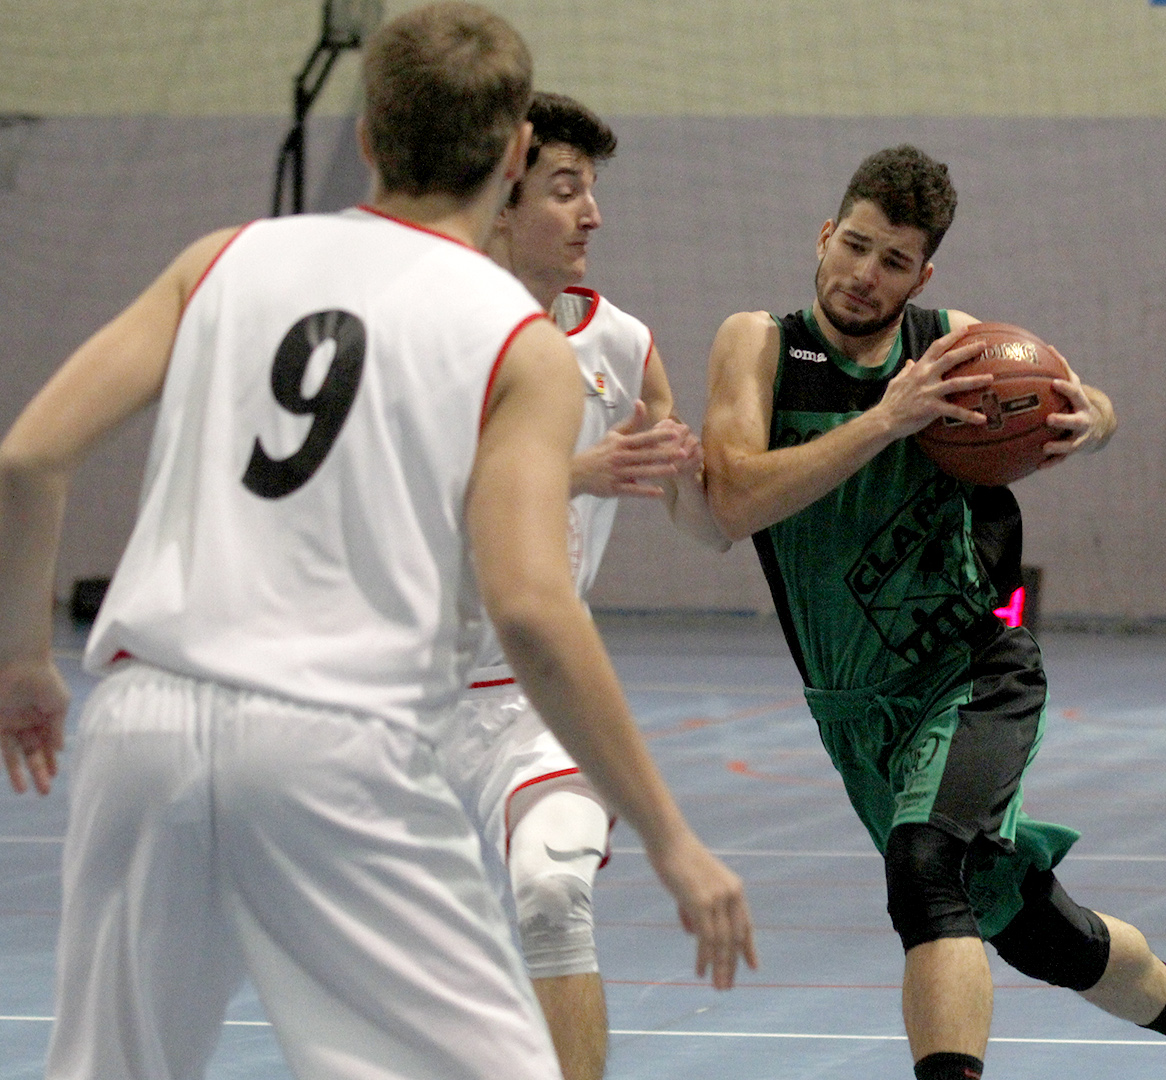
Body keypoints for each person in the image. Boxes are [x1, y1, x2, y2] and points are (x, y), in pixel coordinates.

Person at [0, 6, 752, 1078]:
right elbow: (534, 607)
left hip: (141, 722)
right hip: (333, 736)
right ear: (510, 152)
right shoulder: (518, 341)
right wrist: (672, 838)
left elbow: (26, 460)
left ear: (367, 138)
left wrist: (25, 663)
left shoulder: (221, 258)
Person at [702, 143, 1166, 1080]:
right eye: (853, 246)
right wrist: (887, 418)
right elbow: (734, 499)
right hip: (852, 707)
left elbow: (1079, 398)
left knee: (925, 869)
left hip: (974, 667)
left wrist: (1090, 418)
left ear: (922, 273)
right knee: (1032, 930)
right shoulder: (760, 344)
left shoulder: (953, 346)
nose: (864, 274)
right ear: (824, 235)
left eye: (893, 260)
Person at [439, 89, 729, 1080]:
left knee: (554, 890)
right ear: (503, 203)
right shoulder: (433, 328)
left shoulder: (624, 345)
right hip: (404, 700)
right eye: (565, 189)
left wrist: (690, 469)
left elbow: (704, 526)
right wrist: (575, 470)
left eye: (593, 190)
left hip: (533, 698)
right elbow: (403, 491)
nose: (591, 213)